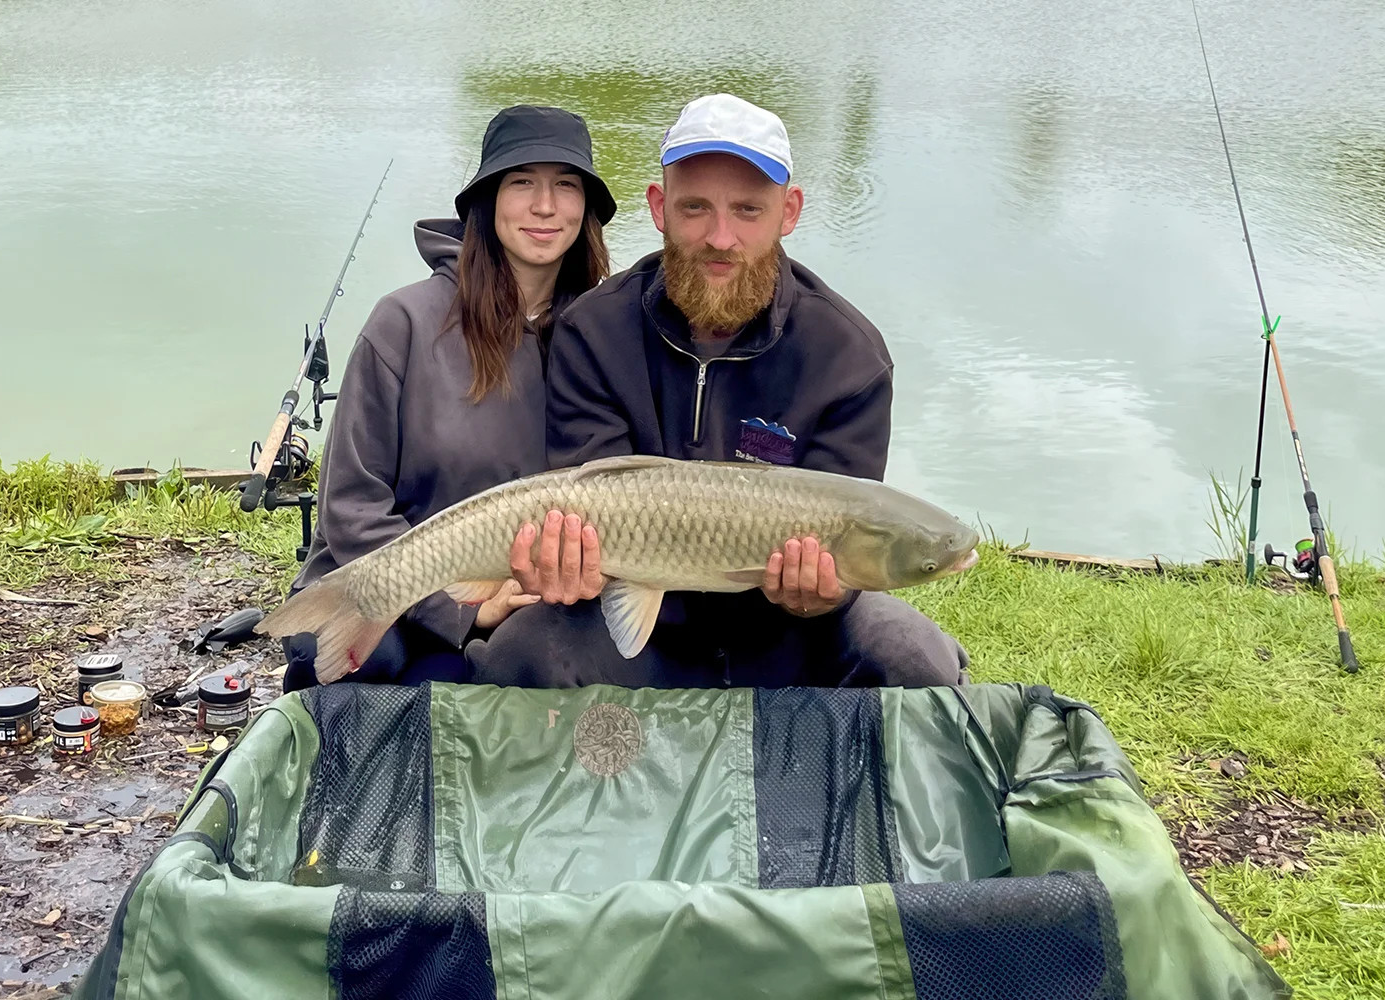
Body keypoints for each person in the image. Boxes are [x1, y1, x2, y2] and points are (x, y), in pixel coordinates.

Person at [466, 94, 969, 688]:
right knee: (520, 653)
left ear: (790, 211)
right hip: (638, 629)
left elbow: (847, 556)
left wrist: (822, 597)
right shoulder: (593, 330)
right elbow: (594, 491)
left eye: (749, 210)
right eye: (696, 207)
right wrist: (567, 566)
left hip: (788, 632)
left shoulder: (848, 355)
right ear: (659, 207)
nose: (721, 237)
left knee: (913, 658)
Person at [281, 105, 615, 692]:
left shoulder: (603, 336)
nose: (545, 206)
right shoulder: (404, 322)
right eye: (522, 183)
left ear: (587, 209)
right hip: (389, 581)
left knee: (546, 661)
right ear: (486, 202)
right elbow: (351, 508)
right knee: (354, 658)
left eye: (566, 186)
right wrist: (459, 611)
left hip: (529, 597)